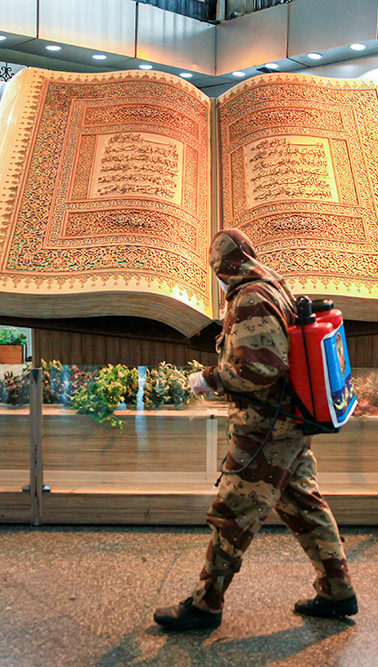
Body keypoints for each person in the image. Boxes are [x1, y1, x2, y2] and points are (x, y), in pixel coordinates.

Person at [153, 229, 357, 631]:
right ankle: (338, 592)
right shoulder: (274, 285)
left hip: (265, 433)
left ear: (222, 267)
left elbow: (260, 369)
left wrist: (209, 378)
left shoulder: (250, 298)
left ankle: (205, 605)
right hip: (289, 424)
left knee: (232, 516)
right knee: (305, 507)